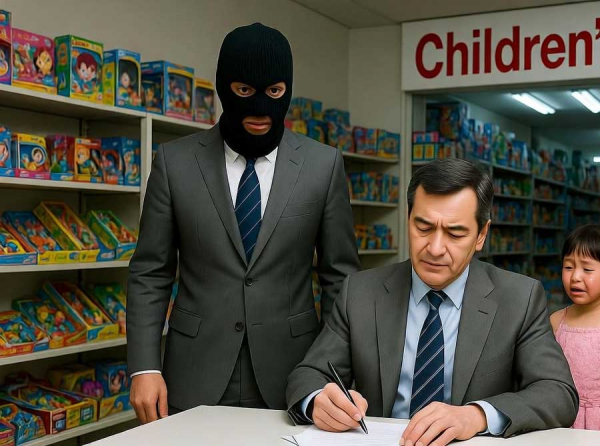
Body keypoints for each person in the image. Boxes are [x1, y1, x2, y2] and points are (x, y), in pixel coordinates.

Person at [127, 23, 359, 424]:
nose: (260, 109)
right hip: (193, 373)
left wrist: (331, 371)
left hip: (295, 376)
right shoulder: (174, 163)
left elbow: (340, 278)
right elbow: (150, 272)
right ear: (224, 86)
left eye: (275, 92)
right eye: (244, 91)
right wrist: (144, 367)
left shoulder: (323, 166)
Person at [286, 158, 578, 445]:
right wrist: (318, 401)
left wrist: (475, 416)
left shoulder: (519, 298)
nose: (435, 249)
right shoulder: (361, 293)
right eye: (423, 228)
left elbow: (558, 392)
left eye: (455, 233)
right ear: (408, 219)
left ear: (481, 235)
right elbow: (309, 374)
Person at [551, 224, 600, 430]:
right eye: (568, 267)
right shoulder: (556, 321)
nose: (575, 277)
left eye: (587, 269)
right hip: (564, 421)